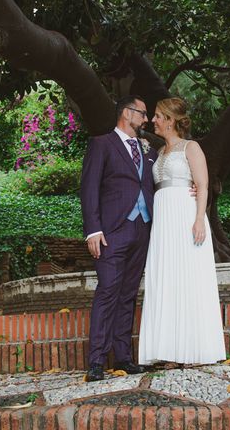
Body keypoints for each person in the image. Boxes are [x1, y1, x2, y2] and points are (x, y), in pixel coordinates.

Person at [138, 97, 226, 365]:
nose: (153, 120)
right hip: (163, 222)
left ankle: (193, 349)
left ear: (170, 119)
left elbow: (203, 184)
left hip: (186, 217)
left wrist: (199, 219)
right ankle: (168, 350)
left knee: (188, 278)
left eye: (157, 115)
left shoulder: (191, 147)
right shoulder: (158, 152)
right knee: (165, 278)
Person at [80, 95, 156, 382]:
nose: (146, 119)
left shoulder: (147, 148)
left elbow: (154, 181)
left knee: (128, 294)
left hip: (143, 229)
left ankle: (124, 357)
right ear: (127, 113)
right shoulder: (102, 144)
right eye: (143, 113)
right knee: (108, 290)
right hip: (111, 232)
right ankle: (97, 361)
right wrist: (93, 230)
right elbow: (89, 188)